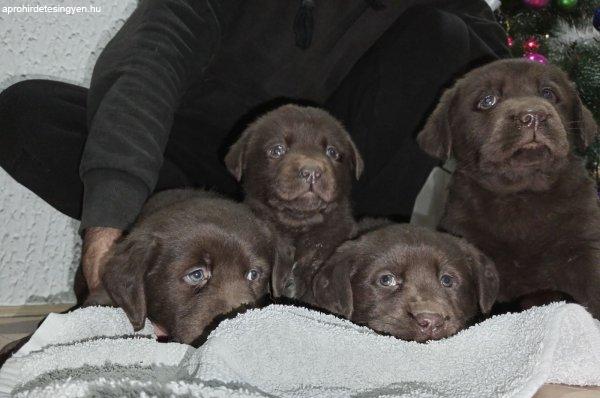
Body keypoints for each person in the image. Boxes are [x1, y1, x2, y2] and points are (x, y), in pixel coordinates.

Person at [0, 0, 508, 295]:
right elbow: (147, 63)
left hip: (330, 191)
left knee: (441, 35)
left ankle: (347, 267)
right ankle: (188, 248)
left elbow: (501, 79)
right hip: (195, 174)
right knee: (25, 110)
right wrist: (110, 225)